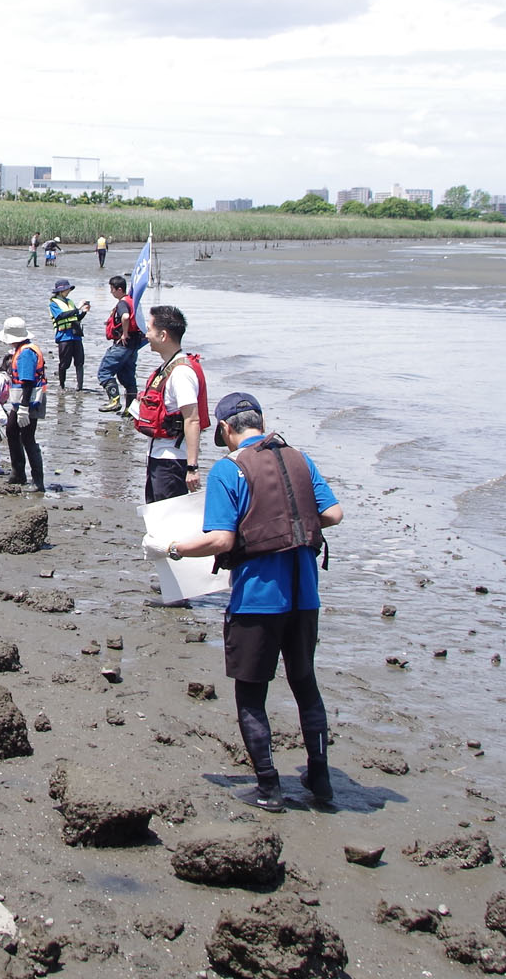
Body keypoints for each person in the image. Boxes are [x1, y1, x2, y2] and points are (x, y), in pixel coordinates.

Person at [144, 393, 342, 810]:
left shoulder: (229, 470)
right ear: (261, 422)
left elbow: (221, 540)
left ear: (225, 429)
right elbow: (333, 513)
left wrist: (172, 549)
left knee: (252, 693)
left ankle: (269, 787)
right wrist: (293, 516)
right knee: (305, 683)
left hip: (258, 598)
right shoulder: (300, 459)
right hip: (305, 593)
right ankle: (321, 778)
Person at [139, 304, 208, 503]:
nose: (146, 335)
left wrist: (192, 468)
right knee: (156, 515)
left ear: (163, 336)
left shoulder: (181, 373)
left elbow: (192, 419)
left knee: (168, 521)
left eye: (150, 330)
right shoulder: (167, 367)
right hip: (158, 455)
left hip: (172, 460)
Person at [0, 316, 46, 492]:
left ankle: (38, 481)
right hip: (20, 402)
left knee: (27, 437)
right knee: (11, 430)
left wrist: (24, 409)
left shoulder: (26, 353)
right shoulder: (21, 349)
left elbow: (27, 382)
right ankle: (18, 473)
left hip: (30, 401)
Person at [98, 274, 145, 415]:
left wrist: (124, 333)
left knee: (104, 372)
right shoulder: (133, 301)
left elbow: (125, 317)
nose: (111, 292)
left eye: (112, 289)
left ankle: (114, 401)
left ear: (119, 289)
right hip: (133, 345)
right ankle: (130, 410)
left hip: (122, 345)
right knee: (128, 378)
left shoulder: (123, 303)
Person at [48, 278, 91, 392]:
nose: (68, 291)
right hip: (64, 336)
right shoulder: (53, 303)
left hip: (75, 335)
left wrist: (84, 312)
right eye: (66, 289)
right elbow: (60, 316)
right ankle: (62, 386)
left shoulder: (70, 302)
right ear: (60, 291)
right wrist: (78, 308)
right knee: (64, 363)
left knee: (79, 361)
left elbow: (76, 318)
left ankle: (80, 387)